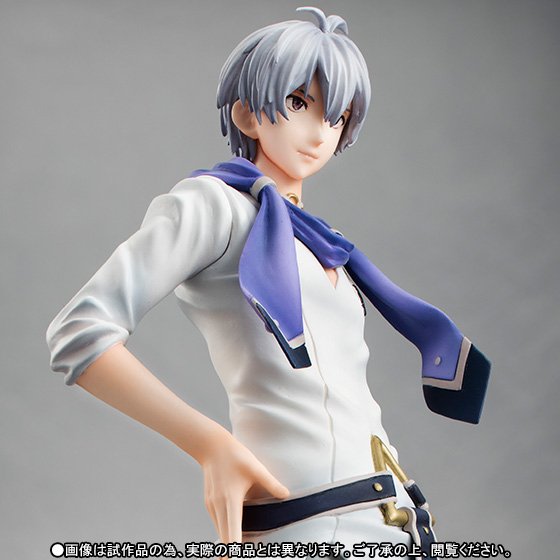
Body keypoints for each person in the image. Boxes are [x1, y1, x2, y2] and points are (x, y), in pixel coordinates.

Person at [47, 7, 489, 555]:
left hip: (391, 519)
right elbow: (80, 331)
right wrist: (209, 444)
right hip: (305, 520)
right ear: (247, 114)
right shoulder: (215, 206)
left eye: (336, 116)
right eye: (299, 103)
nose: (318, 132)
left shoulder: (326, 244)